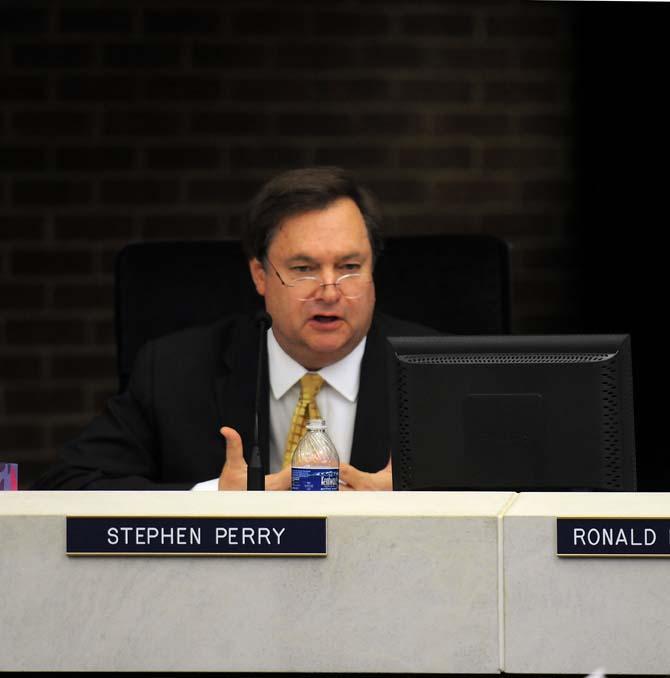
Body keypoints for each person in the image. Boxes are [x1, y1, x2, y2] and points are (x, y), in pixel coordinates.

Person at [32, 167, 437, 492]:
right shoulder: (175, 371)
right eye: (303, 269)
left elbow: (499, 493)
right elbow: (68, 484)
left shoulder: (437, 371)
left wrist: (414, 505)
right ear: (260, 275)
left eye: (349, 268)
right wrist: (213, 501)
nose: (329, 291)